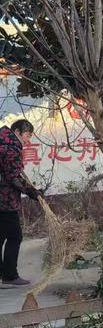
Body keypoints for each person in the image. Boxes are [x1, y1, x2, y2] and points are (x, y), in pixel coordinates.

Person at [0, 119, 43, 286]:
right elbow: (12, 176)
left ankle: (5, 274)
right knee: (15, 236)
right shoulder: (11, 147)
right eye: (27, 135)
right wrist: (30, 191)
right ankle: (10, 276)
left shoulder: (3, 140)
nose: (28, 140)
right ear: (17, 132)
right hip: (4, 199)